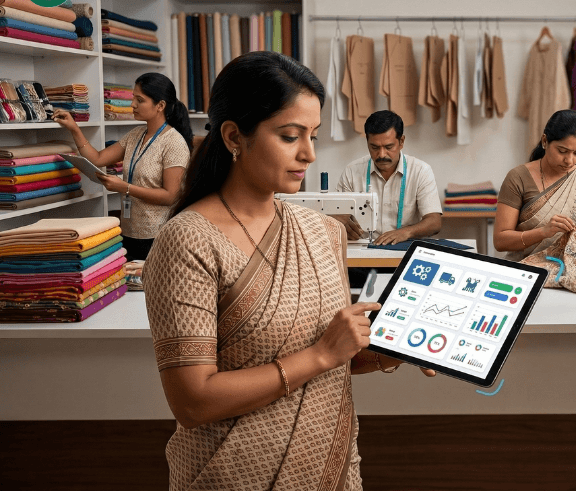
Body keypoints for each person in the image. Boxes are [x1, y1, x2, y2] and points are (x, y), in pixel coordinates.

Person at [142, 52, 433, 490]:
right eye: (290, 135)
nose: (310, 153)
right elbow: (193, 401)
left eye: (313, 135)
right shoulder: (188, 240)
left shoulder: (322, 233)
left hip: (330, 469)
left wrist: (396, 351)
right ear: (234, 136)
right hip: (233, 475)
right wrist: (320, 355)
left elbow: (335, 359)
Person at [54, 72, 192, 260]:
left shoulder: (174, 143)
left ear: (160, 105)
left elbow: (170, 196)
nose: (132, 104)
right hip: (128, 231)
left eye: (139, 100)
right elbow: (98, 158)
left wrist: (124, 187)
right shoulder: (135, 134)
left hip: (157, 236)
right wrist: (74, 128)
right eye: (133, 98)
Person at [494, 109, 576, 261]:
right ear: (545, 141)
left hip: (573, 272)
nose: (569, 160)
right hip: (526, 271)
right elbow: (500, 241)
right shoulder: (518, 178)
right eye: (562, 151)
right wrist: (543, 232)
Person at [335, 110, 442, 245]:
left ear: (401, 141)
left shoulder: (420, 171)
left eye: (388, 147)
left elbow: (434, 221)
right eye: (374, 147)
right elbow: (335, 215)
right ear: (367, 142)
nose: (381, 154)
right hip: (362, 250)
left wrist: (406, 232)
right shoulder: (352, 172)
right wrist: (341, 222)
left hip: (403, 249)